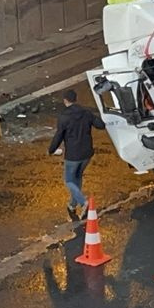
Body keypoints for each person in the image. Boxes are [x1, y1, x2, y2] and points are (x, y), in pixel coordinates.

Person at [48, 89, 106, 220]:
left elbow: (59, 136)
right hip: (87, 153)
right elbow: (100, 125)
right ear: (76, 99)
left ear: (65, 100)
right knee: (77, 178)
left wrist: (51, 150)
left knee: (69, 180)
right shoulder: (86, 113)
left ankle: (83, 202)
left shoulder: (64, 117)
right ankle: (72, 204)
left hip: (73, 155)